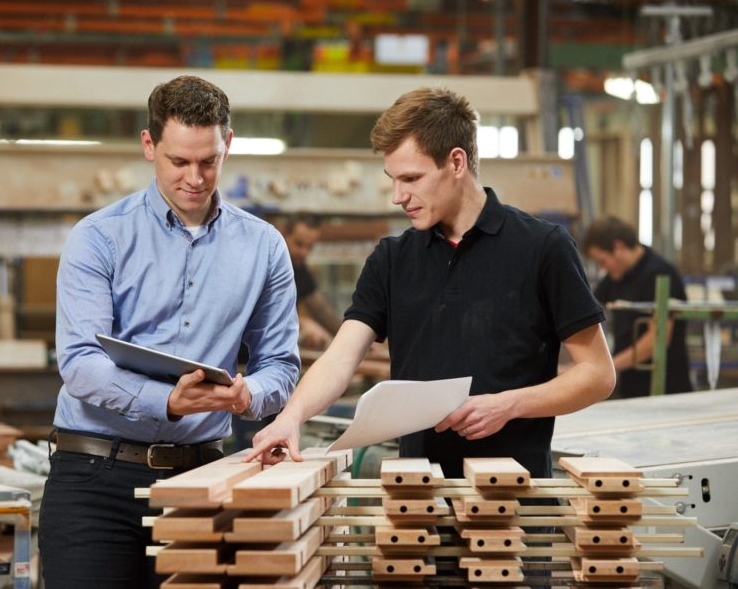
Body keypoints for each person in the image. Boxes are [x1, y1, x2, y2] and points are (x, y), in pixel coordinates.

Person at [246, 86, 615, 481]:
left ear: (456, 162)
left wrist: (509, 405)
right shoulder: (392, 259)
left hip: (514, 502)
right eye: (393, 179)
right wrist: (292, 416)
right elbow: (341, 357)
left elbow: (597, 374)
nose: (397, 196)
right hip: (418, 498)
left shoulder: (542, 248)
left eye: (411, 178)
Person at [40, 75, 301, 589]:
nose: (195, 178)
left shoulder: (264, 247)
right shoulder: (98, 238)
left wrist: (251, 394)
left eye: (209, 161)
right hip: (94, 480)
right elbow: (79, 363)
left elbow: (282, 365)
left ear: (228, 144)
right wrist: (167, 402)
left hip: (201, 480)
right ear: (148, 145)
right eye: (178, 162)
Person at [582, 215, 692, 398]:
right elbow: (585, 308)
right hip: (632, 387)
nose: (602, 268)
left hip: (665, 390)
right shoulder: (616, 276)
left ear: (618, 247)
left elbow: (656, 340)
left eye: (602, 261)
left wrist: (606, 367)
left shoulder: (660, 274)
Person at [282, 213, 343, 349]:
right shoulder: (267, 264)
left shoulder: (297, 267)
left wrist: (350, 337)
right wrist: (303, 324)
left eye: (309, 247)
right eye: (299, 244)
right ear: (285, 235)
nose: (304, 252)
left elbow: (321, 309)